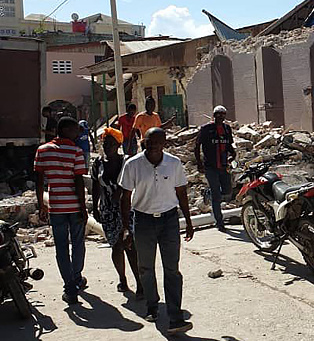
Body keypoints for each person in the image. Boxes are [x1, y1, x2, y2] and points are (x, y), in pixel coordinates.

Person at [119, 127, 194, 335]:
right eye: (149, 141)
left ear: (165, 143)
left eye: (158, 142)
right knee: (146, 268)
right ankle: (152, 306)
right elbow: (125, 197)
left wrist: (188, 220)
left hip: (169, 221)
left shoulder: (174, 163)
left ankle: (175, 316)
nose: (153, 145)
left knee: (172, 269)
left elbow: (181, 192)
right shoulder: (132, 164)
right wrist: (126, 228)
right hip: (143, 221)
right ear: (144, 141)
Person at [34, 117, 88, 305]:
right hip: (74, 206)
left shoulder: (43, 150)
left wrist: (41, 204)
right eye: (75, 130)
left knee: (62, 248)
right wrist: (83, 208)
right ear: (64, 130)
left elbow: (40, 181)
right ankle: (77, 277)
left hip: (56, 207)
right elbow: (79, 182)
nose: (77, 134)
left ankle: (69, 287)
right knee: (78, 244)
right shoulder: (76, 151)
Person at [91, 127, 142, 298]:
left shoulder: (127, 161)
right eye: (105, 143)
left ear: (118, 144)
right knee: (116, 245)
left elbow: (133, 183)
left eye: (112, 143)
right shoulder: (97, 163)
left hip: (126, 208)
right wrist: (95, 207)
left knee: (131, 245)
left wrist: (119, 195)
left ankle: (140, 283)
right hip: (108, 211)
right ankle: (123, 279)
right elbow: (95, 186)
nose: (107, 146)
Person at [194, 106, 236, 232]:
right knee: (217, 196)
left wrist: (233, 155)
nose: (220, 117)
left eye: (223, 114)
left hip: (223, 166)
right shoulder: (206, 129)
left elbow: (229, 145)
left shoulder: (227, 129)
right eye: (218, 114)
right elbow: (196, 146)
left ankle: (208, 193)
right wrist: (199, 163)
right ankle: (220, 222)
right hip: (210, 167)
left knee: (227, 191)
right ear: (214, 115)